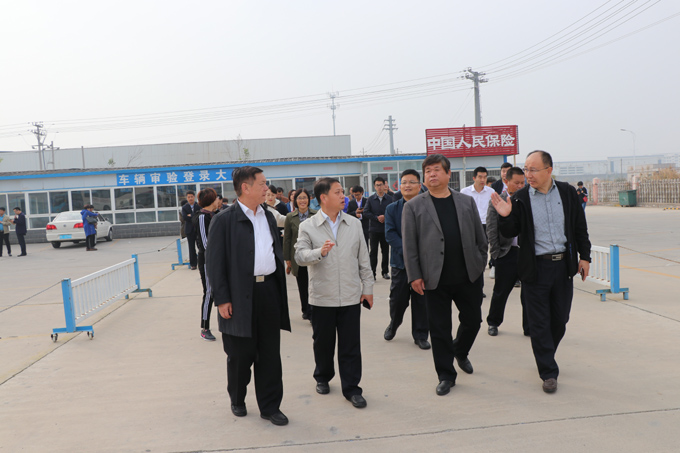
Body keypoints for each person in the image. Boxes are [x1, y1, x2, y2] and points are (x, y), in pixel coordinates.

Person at [491, 150, 591, 394]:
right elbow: (510, 231)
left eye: (533, 170)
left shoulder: (567, 192)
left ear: (549, 170)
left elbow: (579, 226)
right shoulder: (520, 198)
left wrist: (585, 257)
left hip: (563, 266)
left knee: (560, 319)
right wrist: (504, 216)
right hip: (535, 268)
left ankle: (546, 354)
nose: (528, 175)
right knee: (539, 323)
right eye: (526, 169)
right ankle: (548, 372)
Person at [206, 166, 291, 426]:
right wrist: (222, 299)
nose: (267, 188)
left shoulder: (268, 216)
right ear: (246, 187)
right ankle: (237, 398)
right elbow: (214, 264)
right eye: (262, 184)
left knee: (270, 354)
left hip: (268, 292)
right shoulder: (224, 220)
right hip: (238, 295)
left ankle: (270, 406)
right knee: (240, 354)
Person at [402, 154, 487, 396]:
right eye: (428, 171)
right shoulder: (413, 206)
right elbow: (409, 246)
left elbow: (480, 238)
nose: (432, 174)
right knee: (439, 329)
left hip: (468, 275)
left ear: (448, 174)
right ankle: (446, 375)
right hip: (433, 278)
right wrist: (414, 275)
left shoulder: (465, 202)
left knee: (473, 321)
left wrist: (480, 262)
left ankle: (460, 350)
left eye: (437, 170)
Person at [294, 177, 374, 409]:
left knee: (351, 346)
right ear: (323, 197)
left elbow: (364, 259)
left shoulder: (354, 224)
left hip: (350, 295)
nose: (343, 196)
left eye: (343, 192)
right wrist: (319, 252)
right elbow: (299, 256)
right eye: (338, 192)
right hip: (322, 297)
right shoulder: (308, 226)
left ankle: (352, 389)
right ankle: (323, 376)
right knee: (323, 343)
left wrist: (367, 288)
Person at [384, 170, 429, 350]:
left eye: (412, 182)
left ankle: (420, 335)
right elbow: (390, 234)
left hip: (423, 264)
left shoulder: (428, 207)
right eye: (404, 182)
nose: (407, 185)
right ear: (400, 186)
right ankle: (394, 323)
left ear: (419, 186)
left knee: (421, 301)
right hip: (400, 263)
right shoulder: (392, 209)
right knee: (398, 299)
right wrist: (410, 253)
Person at [485, 167, 529, 336]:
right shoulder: (498, 200)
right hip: (507, 253)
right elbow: (491, 229)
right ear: (506, 181)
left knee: (528, 293)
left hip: (526, 254)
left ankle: (529, 326)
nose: (520, 186)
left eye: (522, 182)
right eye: (516, 183)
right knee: (501, 291)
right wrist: (496, 253)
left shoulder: (528, 200)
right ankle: (493, 322)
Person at [283, 188, 317, 321]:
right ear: (295, 200)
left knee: (313, 285)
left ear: (309, 199)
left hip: (313, 255)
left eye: (304, 197)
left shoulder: (315, 215)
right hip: (298, 257)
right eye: (299, 198)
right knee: (302, 285)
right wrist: (287, 259)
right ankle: (306, 310)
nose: (302, 200)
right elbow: (287, 239)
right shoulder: (290, 217)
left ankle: (313, 310)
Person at [194, 187, 220, 342]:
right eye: (216, 198)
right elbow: (205, 244)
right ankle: (204, 328)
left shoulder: (214, 216)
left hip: (217, 260)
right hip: (207, 261)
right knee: (209, 292)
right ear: (210, 200)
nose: (218, 201)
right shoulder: (202, 217)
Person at [363, 177, 393, 280]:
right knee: (373, 252)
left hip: (385, 229)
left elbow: (393, 211)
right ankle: (372, 273)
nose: (379, 187)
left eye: (381, 185)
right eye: (377, 185)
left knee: (385, 251)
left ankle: (385, 272)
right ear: (374, 187)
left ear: (384, 185)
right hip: (374, 230)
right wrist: (376, 218)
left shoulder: (389, 199)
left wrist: (385, 217)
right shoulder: (370, 199)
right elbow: (366, 212)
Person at [181, 191, 199, 270]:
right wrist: (194, 215)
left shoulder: (198, 205)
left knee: (200, 247)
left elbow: (200, 215)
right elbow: (185, 217)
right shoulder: (185, 207)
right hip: (189, 230)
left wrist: (191, 215)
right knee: (191, 248)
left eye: (191, 196)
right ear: (187, 198)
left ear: (194, 197)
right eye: (189, 197)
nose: (190, 198)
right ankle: (193, 264)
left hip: (198, 229)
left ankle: (202, 262)